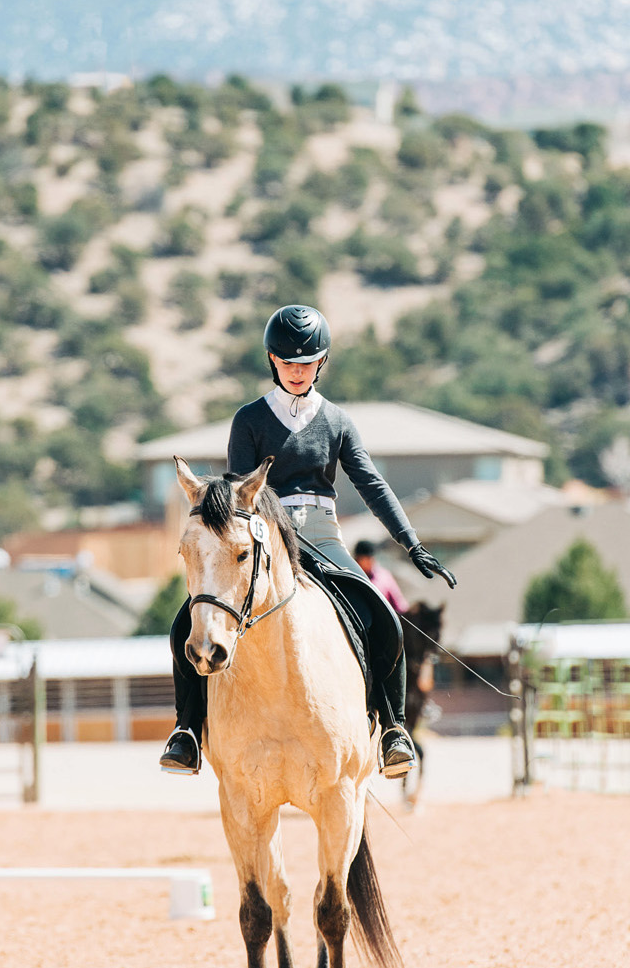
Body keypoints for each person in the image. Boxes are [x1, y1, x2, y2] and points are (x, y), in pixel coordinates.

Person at [160, 303, 457, 779]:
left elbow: (372, 483)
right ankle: (188, 731)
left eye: (306, 362)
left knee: (384, 620)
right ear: (271, 361)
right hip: (265, 535)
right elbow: (240, 490)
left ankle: (394, 730)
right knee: (187, 621)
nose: (296, 371)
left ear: (321, 363)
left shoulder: (337, 421)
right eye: (286, 362)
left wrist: (412, 544)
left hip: (322, 533)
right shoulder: (249, 420)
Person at [353, 540, 409, 615]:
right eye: (366, 558)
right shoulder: (352, 577)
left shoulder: (384, 576)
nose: (370, 561)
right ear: (358, 559)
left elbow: (399, 604)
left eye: (371, 558)